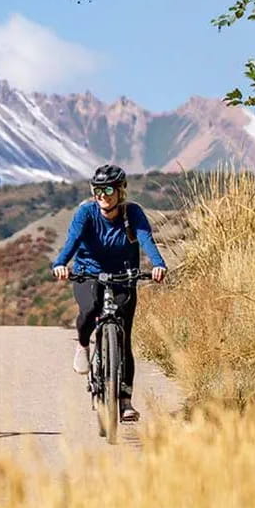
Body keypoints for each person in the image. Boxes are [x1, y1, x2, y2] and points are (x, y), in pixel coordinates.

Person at [52, 164, 166, 422]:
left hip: (124, 275)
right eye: (98, 189)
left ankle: (125, 401)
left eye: (109, 189)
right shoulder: (86, 213)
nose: (102, 195)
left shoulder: (132, 213)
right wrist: (60, 263)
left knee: (123, 336)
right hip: (88, 273)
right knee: (90, 308)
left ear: (120, 191)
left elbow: (146, 239)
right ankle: (83, 344)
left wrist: (158, 264)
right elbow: (72, 240)